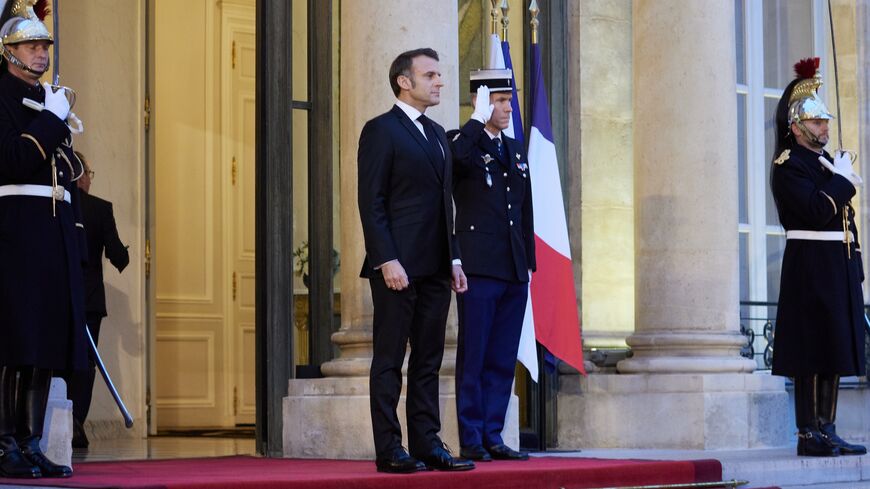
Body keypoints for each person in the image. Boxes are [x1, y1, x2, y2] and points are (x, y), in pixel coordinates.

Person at [357, 47, 473, 474]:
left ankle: (427, 444)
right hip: (396, 269)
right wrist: (386, 258)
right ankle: (389, 448)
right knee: (389, 360)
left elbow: (447, 205)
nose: (439, 82)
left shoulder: (439, 134)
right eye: (431, 75)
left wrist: (455, 259)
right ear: (404, 82)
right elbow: (372, 203)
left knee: (428, 360)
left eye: (439, 75)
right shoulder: (380, 130)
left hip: (438, 266)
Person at [0, 0, 87, 479]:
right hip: (16, 233)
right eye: (30, 45)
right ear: (9, 51)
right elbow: (14, 159)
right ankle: (4, 442)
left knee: (44, 345)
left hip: (52, 232)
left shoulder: (48, 98)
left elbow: (64, 170)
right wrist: (53, 119)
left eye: (43, 45)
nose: (40, 52)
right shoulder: (5, 98)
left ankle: (31, 443)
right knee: (16, 343)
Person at [770, 57, 867, 457]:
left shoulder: (825, 164)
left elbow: (846, 223)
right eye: (816, 122)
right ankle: (808, 433)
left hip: (835, 266)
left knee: (833, 347)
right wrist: (843, 182)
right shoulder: (790, 165)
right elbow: (816, 209)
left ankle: (828, 428)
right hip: (809, 264)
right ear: (796, 126)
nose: (824, 127)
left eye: (825, 121)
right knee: (811, 349)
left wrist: (855, 266)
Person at [447, 70, 534, 462]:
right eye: (499, 101)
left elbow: (525, 212)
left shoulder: (515, 150)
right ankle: (471, 437)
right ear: (480, 102)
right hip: (479, 267)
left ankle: (494, 435)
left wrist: (528, 262)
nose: (506, 107)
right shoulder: (461, 141)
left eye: (508, 101)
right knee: (475, 355)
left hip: (513, 269)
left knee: (501, 357)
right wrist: (474, 122)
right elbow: (453, 165)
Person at [63, 151, 129, 449]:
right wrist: (124, 253)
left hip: (61, 299)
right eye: (90, 172)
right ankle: (75, 422)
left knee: (58, 361)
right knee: (86, 364)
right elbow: (118, 256)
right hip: (89, 301)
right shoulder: (100, 209)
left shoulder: (58, 205)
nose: (90, 178)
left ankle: (54, 422)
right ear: (82, 175)